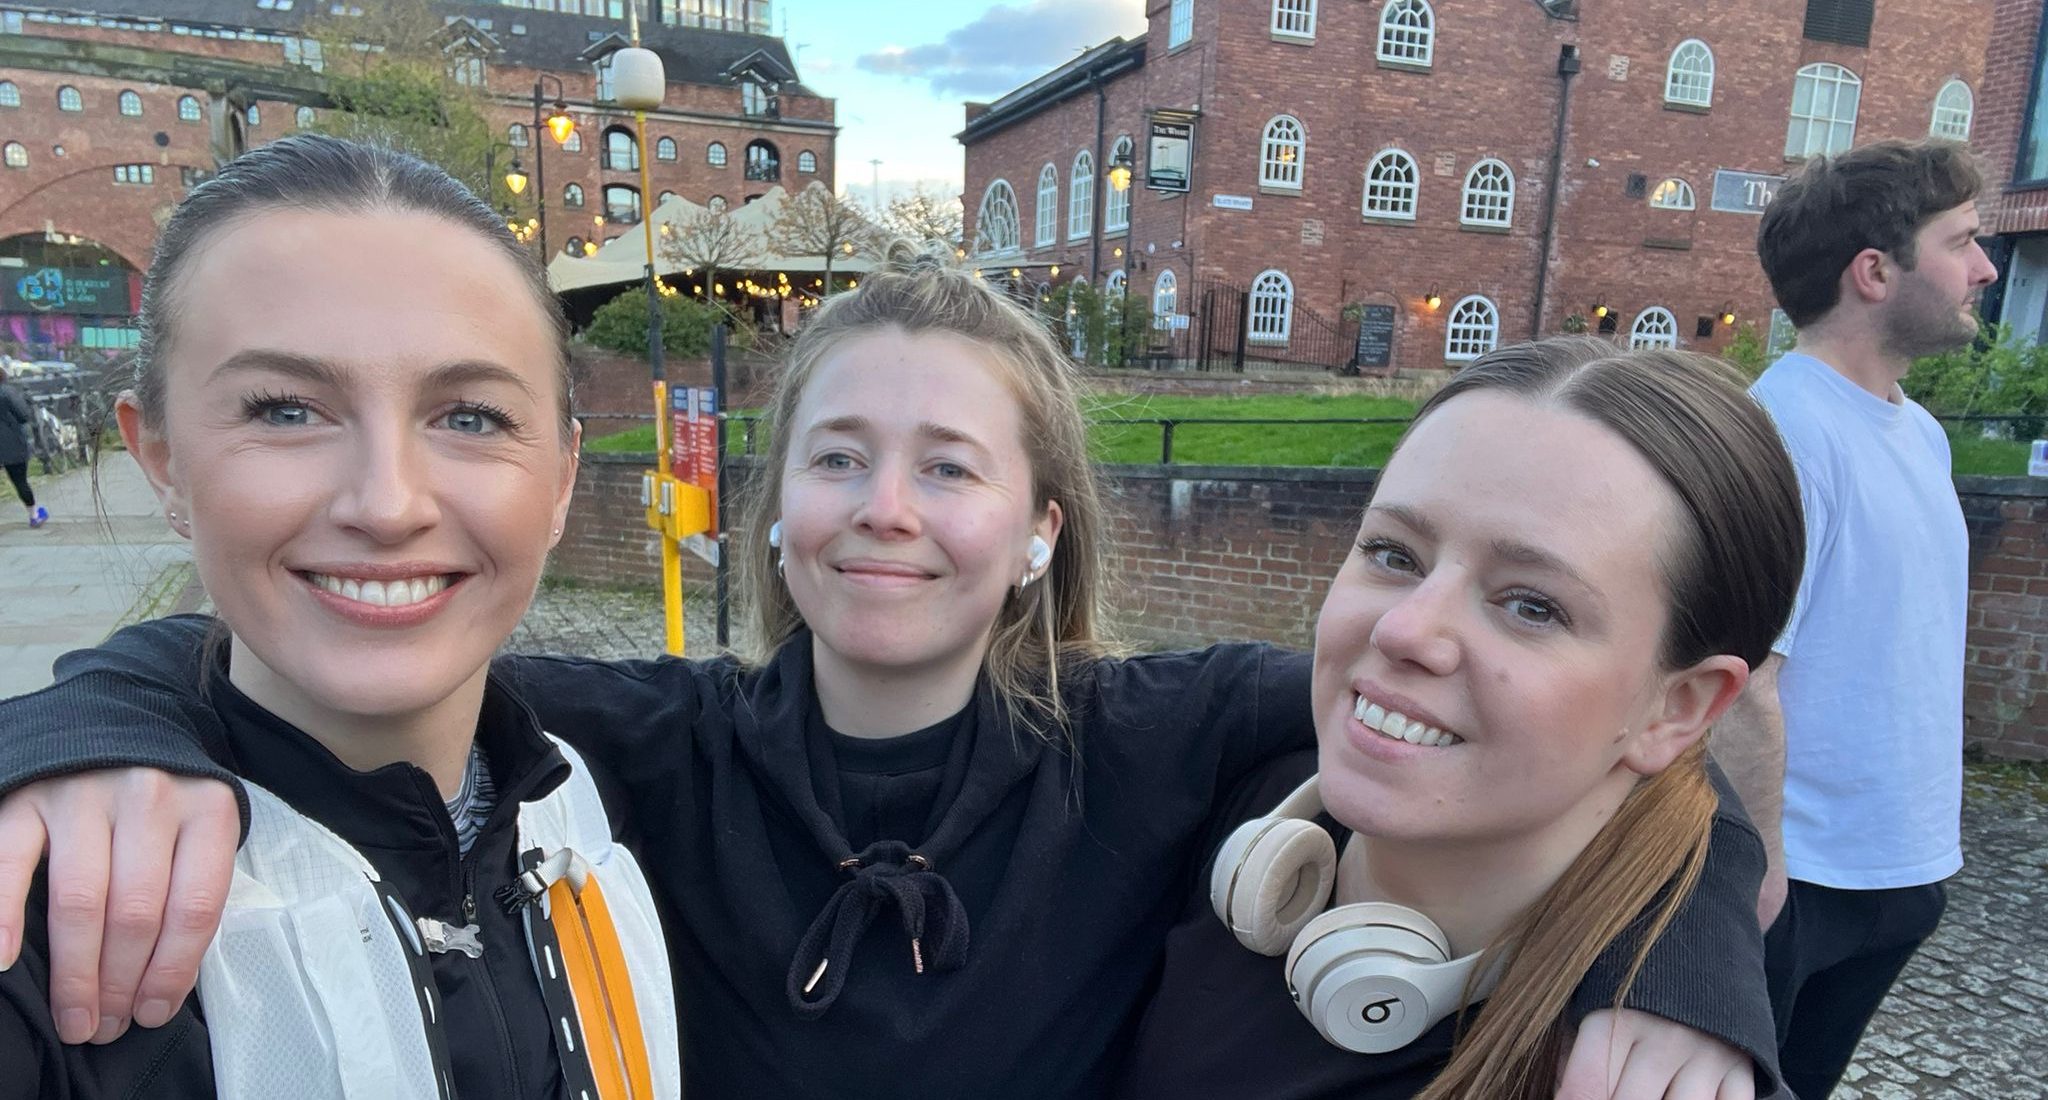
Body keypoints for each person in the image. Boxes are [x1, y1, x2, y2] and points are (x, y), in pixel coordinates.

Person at [1, 252, 1774, 1097]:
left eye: (949, 468)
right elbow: (344, 647)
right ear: (772, 516)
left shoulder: (1167, 740)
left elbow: (1640, 751)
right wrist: (91, 727)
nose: (884, 513)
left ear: (1037, 532)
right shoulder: (640, 745)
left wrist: (1692, 974)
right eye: (838, 459)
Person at [0, 133, 679, 1098]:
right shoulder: (54, 925)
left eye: (470, 416)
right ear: (159, 457)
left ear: (563, 476)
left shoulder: (629, 784)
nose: (388, 502)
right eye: (285, 410)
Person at [1113, 339, 1799, 1100]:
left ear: (1679, 708)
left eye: (1531, 605)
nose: (1405, 630)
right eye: (1394, 554)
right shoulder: (1233, 781)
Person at [1716, 137, 1997, 1099]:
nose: (1985, 267)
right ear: (1873, 271)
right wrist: (1762, 873)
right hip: (1802, 882)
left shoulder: (1915, 430)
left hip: (1901, 867)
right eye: (1961, 241)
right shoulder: (1788, 430)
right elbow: (1746, 676)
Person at [0, 363, 47, 528]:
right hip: (10, 443)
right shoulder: (6, 392)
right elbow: (23, 415)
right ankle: (34, 515)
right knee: (20, 481)